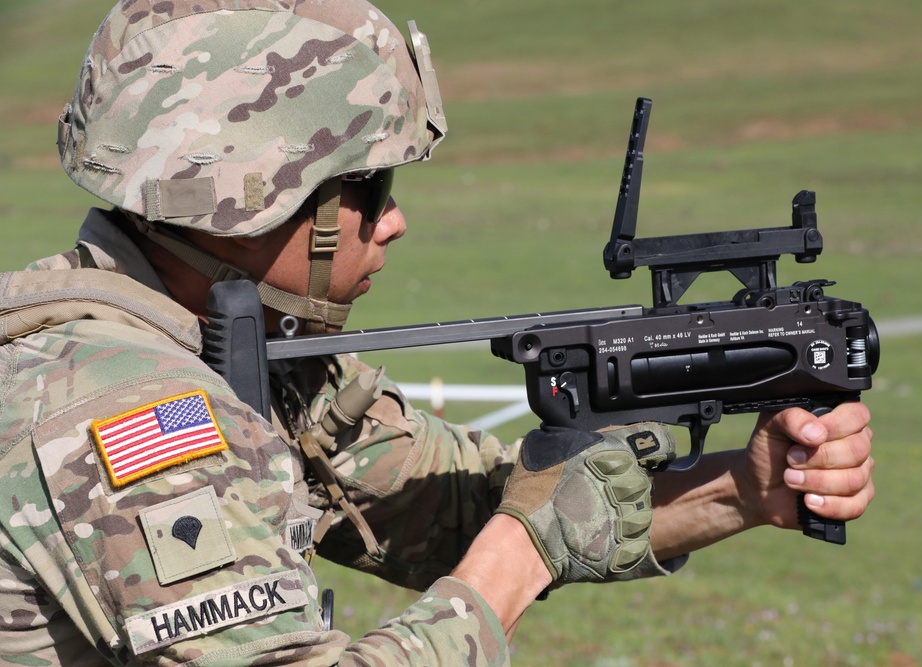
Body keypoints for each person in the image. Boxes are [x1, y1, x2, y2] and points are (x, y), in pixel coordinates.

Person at [0, 1, 875, 665]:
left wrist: (741, 491)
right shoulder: (131, 417)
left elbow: (451, 504)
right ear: (246, 199)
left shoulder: (230, 339)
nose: (395, 221)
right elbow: (515, 533)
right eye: (369, 190)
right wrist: (519, 556)